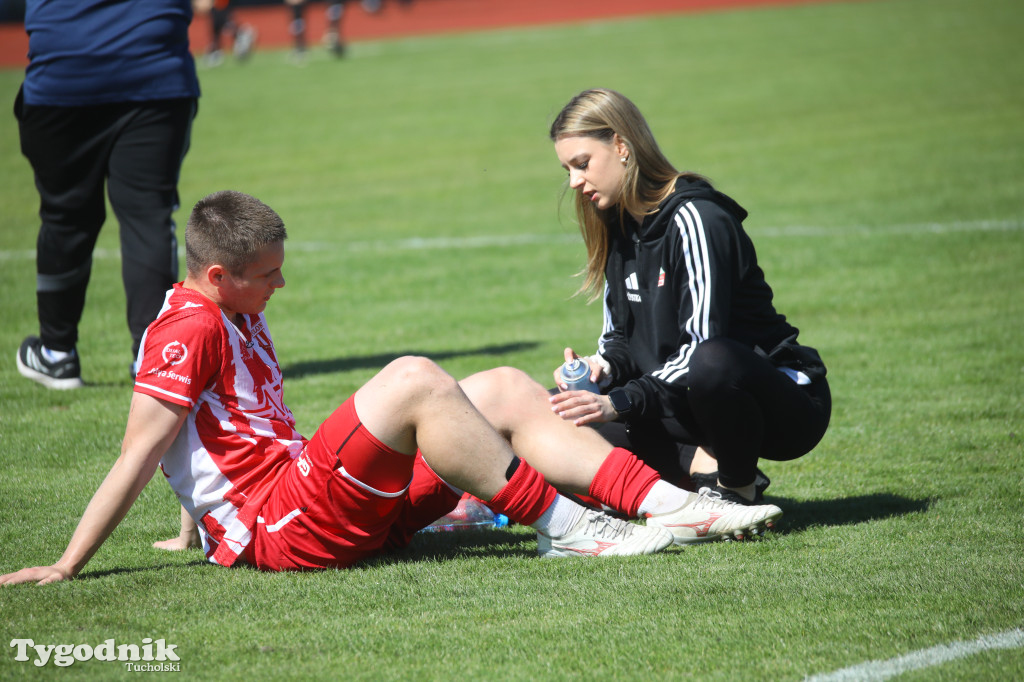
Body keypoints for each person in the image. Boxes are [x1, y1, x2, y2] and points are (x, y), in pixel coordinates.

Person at [1, 191, 784, 585]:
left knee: (506, 387)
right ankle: (575, 526)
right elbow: (143, 448)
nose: (281, 283)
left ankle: (671, 505)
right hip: (286, 526)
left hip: (309, 504)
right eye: (267, 274)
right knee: (412, 378)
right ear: (218, 275)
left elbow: (207, 435)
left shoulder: (224, 311)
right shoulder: (191, 328)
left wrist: (192, 525)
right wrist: (70, 564)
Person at [547, 88, 831, 505]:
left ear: (622, 146)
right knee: (562, 413)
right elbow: (621, 343)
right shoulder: (619, 227)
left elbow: (701, 346)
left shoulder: (696, 218)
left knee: (710, 361)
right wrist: (600, 371)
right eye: (567, 170)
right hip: (690, 402)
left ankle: (736, 487)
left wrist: (620, 401)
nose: (574, 181)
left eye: (582, 164)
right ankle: (703, 468)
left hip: (777, 403)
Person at [14, 0, 200, 389]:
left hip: (64, 68)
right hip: (154, 65)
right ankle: (151, 358)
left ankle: (57, 353)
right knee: (148, 215)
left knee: (65, 217)